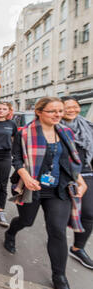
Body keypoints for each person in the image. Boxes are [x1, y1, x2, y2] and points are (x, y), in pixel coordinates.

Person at [5, 97, 88, 289]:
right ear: (39, 112)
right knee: (26, 221)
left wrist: (79, 180)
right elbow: (15, 158)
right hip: (32, 187)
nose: (58, 115)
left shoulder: (66, 132)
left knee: (57, 231)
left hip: (59, 189)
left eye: (60, 111)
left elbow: (70, 161)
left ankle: (60, 278)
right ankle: (11, 233)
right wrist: (25, 175)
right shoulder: (25, 133)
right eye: (53, 111)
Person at [61, 96, 93, 270]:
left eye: (75, 106)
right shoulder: (55, 128)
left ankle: (77, 248)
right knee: (59, 216)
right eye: (67, 107)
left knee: (89, 213)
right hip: (63, 175)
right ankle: (56, 237)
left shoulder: (87, 127)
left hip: (86, 172)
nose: (72, 110)